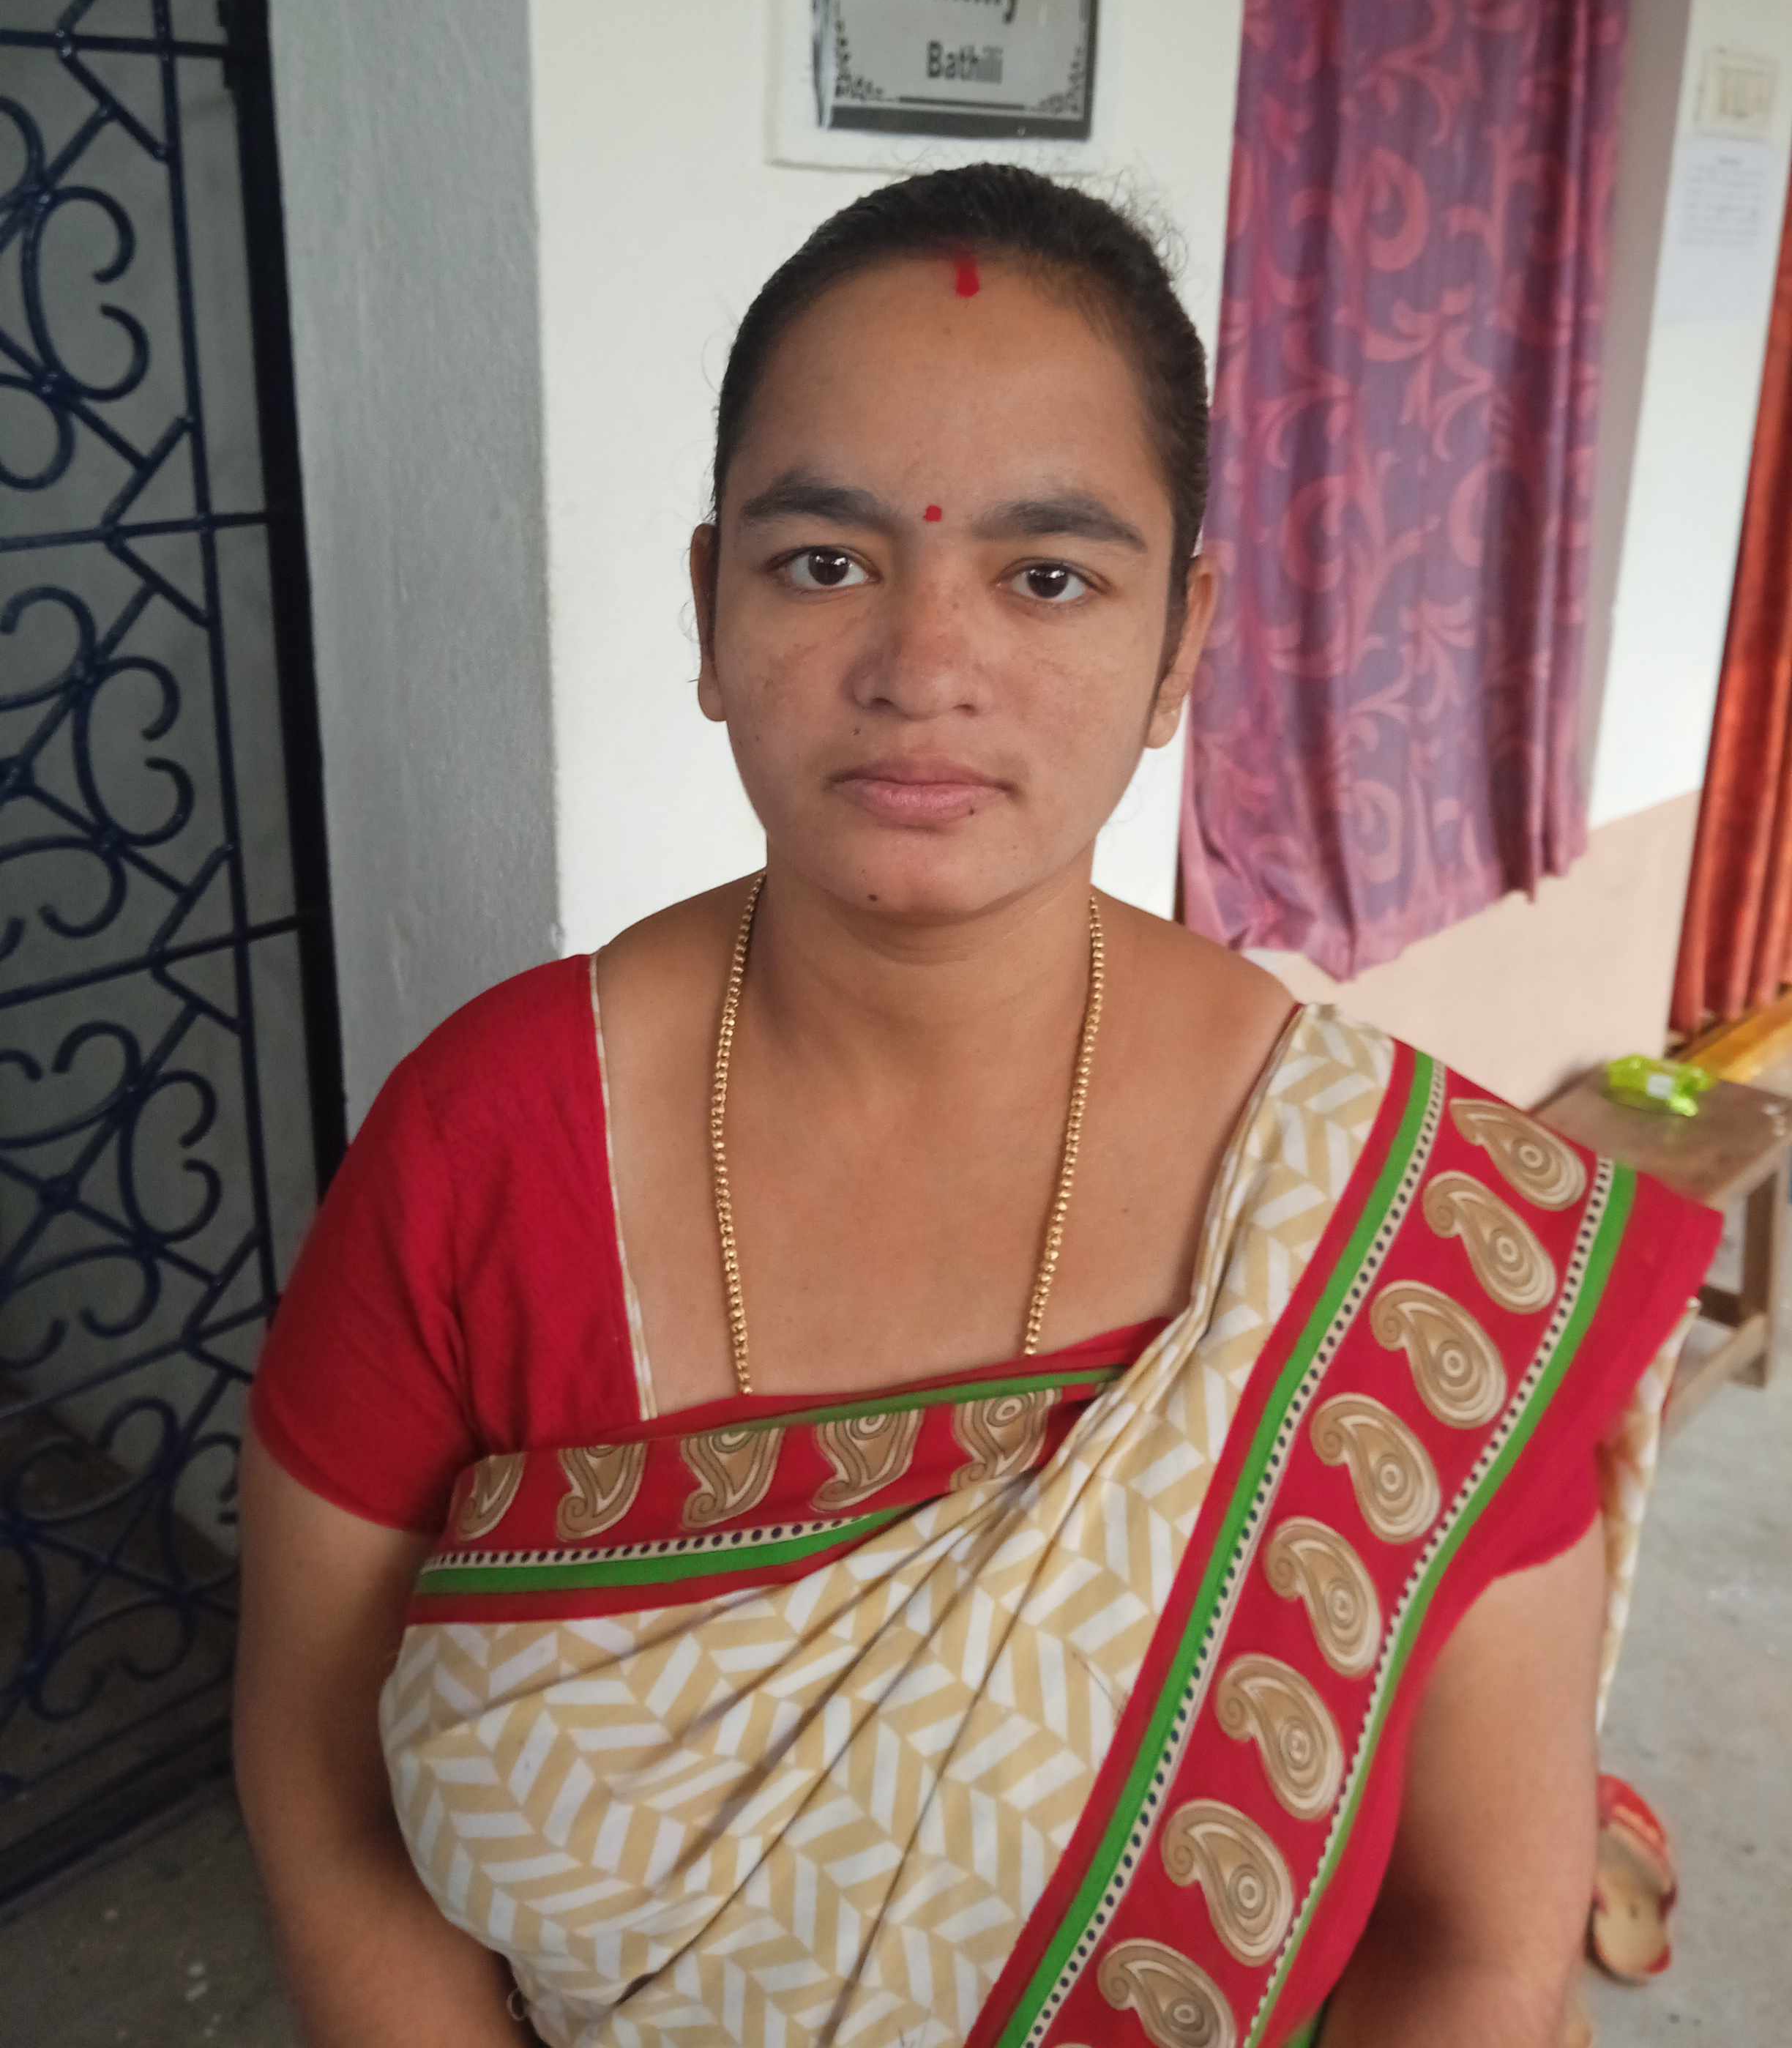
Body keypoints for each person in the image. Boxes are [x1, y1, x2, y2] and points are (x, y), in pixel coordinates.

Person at [235, 165, 1714, 2048]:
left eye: (1048, 577)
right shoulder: (481, 1145)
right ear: (710, 609)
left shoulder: (1416, 1247)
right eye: (823, 561)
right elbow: (326, 1809)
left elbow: (1480, 1952)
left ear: (1180, 644)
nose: (924, 670)